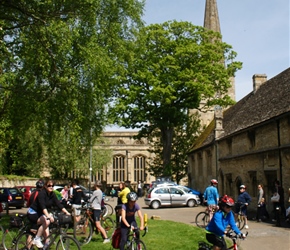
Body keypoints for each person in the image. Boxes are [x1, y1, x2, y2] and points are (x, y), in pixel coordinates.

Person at [27, 179, 71, 249]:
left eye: (52, 185)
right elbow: (43, 206)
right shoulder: (41, 194)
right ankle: (36, 239)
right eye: (49, 185)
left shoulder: (52, 194)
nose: (51, 187)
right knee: (46, 221)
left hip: (41, 213)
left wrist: (67, 212)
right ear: (45, 186)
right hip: (33, 213)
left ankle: (43, 246)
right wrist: (48, 216)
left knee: (47, 236)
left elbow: (58, 204)